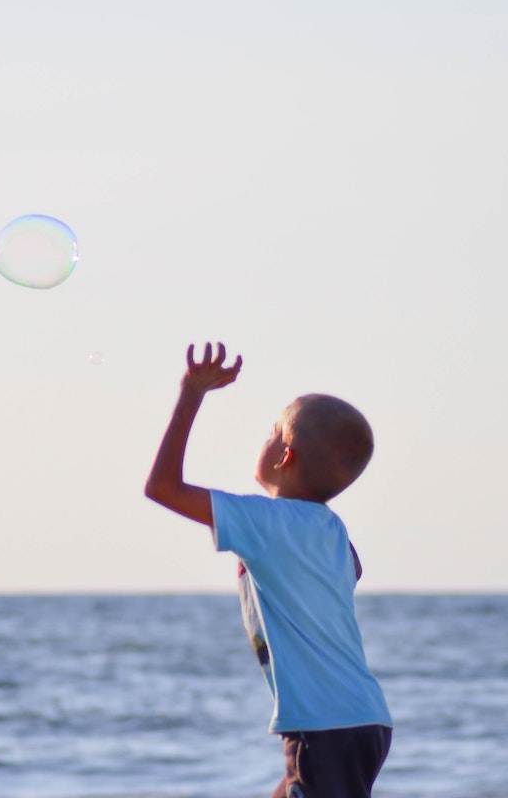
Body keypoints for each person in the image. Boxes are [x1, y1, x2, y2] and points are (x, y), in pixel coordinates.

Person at [144, 342, 392, 798]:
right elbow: (352, 571)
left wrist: (190, 395)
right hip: (364, 719)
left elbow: (162, 487)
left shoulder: (266, 521)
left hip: (323, 726)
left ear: (284, 458)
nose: (264, 440)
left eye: (272, 433)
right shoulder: (331, 528)